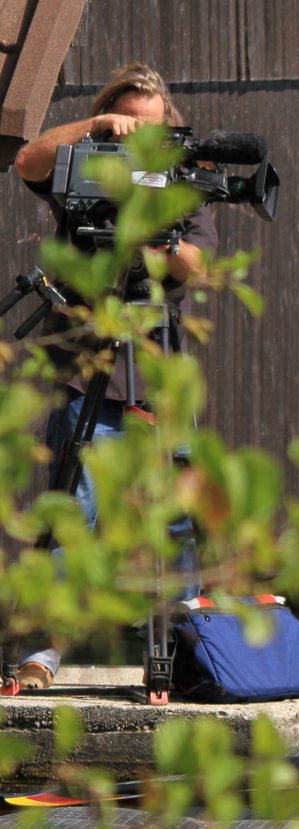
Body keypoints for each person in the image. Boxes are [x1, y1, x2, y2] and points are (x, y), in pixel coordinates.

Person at [11, 63, 218, 690]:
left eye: (150, 129)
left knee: (176, 518)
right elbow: (26, 162)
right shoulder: (83, 174)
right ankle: (43, 651)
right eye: (128, 125)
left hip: (158, 370)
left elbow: (200, 270)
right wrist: (97, 127)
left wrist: (155, 230)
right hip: (87, 368)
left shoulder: (182, 185)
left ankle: (182, 656)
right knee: (75, 507)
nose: (138, 141)